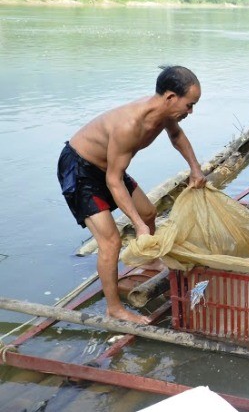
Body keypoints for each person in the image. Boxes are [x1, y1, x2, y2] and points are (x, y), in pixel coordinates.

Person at [57, 65, 207, 324]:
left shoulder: (166, 114)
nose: (190, 112)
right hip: (81, 169)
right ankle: (114, 308)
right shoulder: (130, 125)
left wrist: (195, 169)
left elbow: (177, 136)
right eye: (190, 105)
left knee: (149, 212)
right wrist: (137, 226)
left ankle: (148, 263)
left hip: (109, 167)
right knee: (111, 241)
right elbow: (113, 181)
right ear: (171, 97)